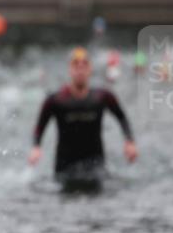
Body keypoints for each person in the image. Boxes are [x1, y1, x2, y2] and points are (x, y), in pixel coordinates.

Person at [28, 47, 137, 190]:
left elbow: (122, 117)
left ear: (90, 69)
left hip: (96, 167)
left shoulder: (102, 97)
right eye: (76, 65)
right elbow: (40, 126)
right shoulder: (56, 100)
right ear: (70, 70)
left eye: (84, 65)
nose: (80, 70)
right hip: (65, 169)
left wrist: (129, 141)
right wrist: (36, 147)